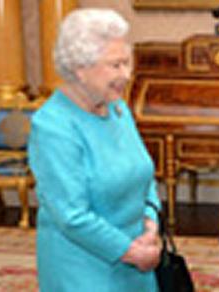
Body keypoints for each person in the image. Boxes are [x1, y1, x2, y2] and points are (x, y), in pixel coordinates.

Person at [28, 8, 162, 292]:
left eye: (128, 63)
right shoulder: (53, 126)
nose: (126, 75)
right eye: (115, 65)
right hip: (83, 268)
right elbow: (72, 215)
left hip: (138, 259)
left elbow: (144, 173)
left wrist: (151, 224)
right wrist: (131, 252)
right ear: (80, 67)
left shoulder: (119, 109)